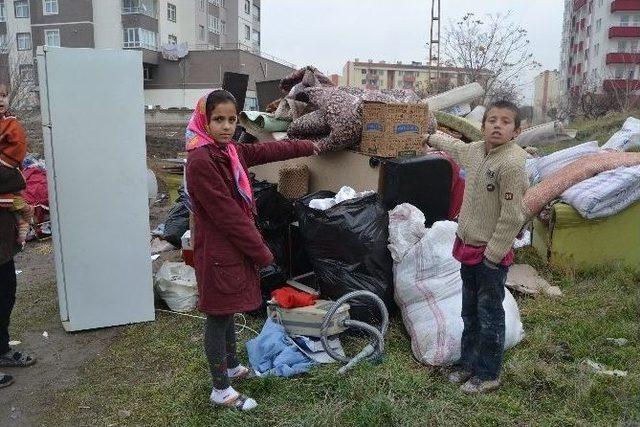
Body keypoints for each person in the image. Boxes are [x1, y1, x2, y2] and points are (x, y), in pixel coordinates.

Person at [185, 89, 316, 411]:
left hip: (231, 249)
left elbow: (270, 150)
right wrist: (262, 253)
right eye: (218, 119)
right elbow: (227, 214)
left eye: (231, 119)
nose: (227, 126)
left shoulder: (228, 152)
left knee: (227, 309)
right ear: (204, 119)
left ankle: (231, 368)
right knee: (217, 315)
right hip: (218, 250)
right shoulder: (202, 160)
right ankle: (220, 390)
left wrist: (312, 146)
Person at [423, 100, 528, 394]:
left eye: (505, 121)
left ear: (516, 131)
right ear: (482, 127)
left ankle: (488, 372)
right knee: (468, 312)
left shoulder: (511, 163)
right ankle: (468, 363)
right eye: (492, 120)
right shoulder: (477, 151)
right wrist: (429, 137)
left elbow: (512, 216)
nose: (497, 125)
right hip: (468, 248)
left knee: (489, 314)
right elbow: (454, 147)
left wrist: (493, 255)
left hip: (489, 257)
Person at [0, 84, 36, 389]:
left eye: (1, 95)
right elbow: (12, 177)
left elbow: (15, 176)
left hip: (3, 234)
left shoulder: (9, 128)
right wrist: (15, 178)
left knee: (6, 293)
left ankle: (2, 350)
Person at [0, 83, 32, 245]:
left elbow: (18, 144)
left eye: (3, 96)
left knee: (16, 205)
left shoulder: (11, 123)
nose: (1, 100)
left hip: (7, 169)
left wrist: (5, 161)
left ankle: (25, 222)